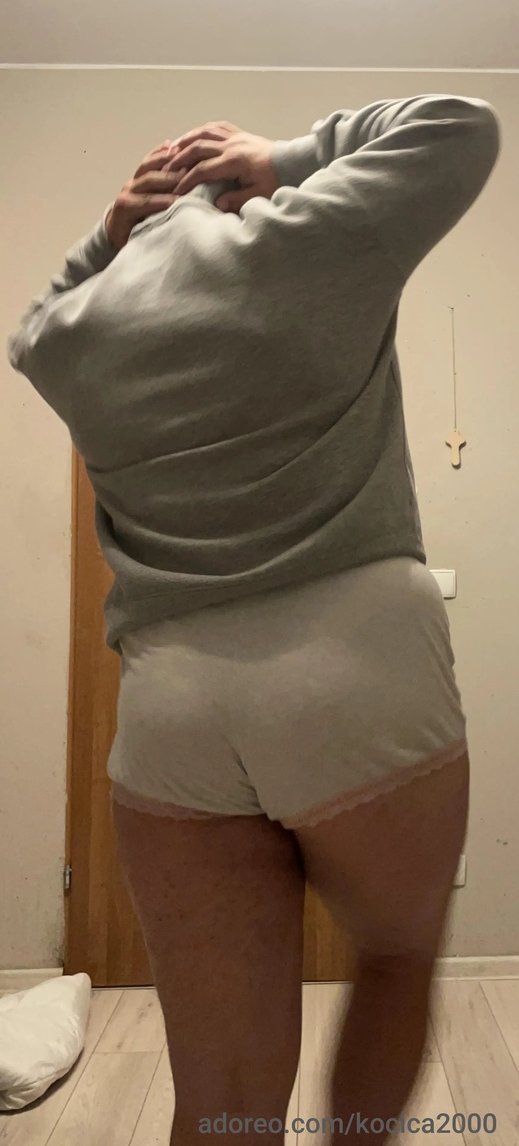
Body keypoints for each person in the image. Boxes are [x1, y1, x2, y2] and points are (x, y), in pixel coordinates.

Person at [8, 95, 500, 1145]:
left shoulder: (78, 332)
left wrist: (110, 229)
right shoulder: (304, 235)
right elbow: (460, 125)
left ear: (139, 230)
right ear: (232, 196)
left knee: (220, 1095)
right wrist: (284, 155)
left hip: (174, 702)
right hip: (358, 661)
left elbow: (31, 326)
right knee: (394, 958)